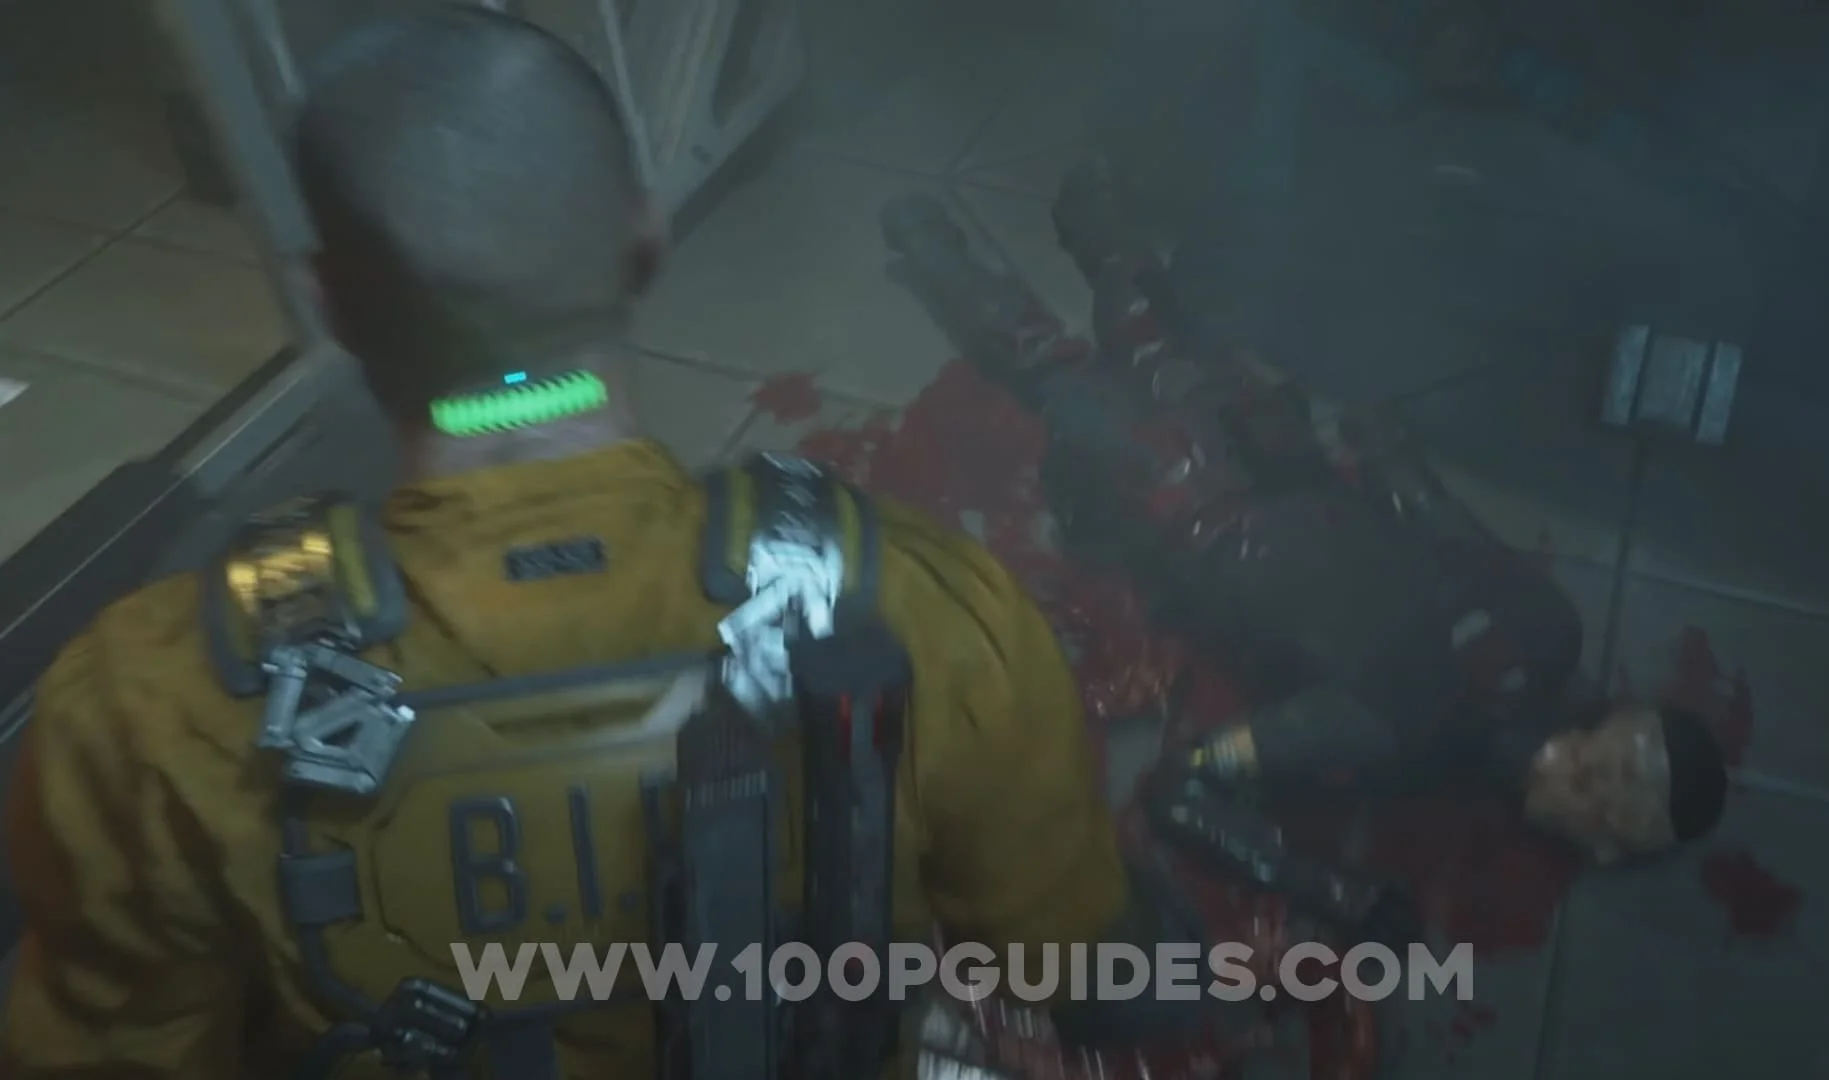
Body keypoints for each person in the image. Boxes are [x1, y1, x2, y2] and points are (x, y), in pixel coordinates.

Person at [0, 8, 1217, 1079]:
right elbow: (1092, 975)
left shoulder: (149, 705)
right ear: (646, 241)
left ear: (329, 307)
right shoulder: (925, 610)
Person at [881, 185, 1729, 935]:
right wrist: (1382, 452)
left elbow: (1186, 786)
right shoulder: (1489, 671)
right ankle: (1069, 222)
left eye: (1609, 805)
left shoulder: (1421, 717)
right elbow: (1435, 514)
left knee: (1074, 365)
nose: (1590, 805)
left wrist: (1328, 889)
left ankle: (948, 242)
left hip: (1195, 503)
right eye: (1610, 785)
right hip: (1257, 470)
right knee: (1134, 333)